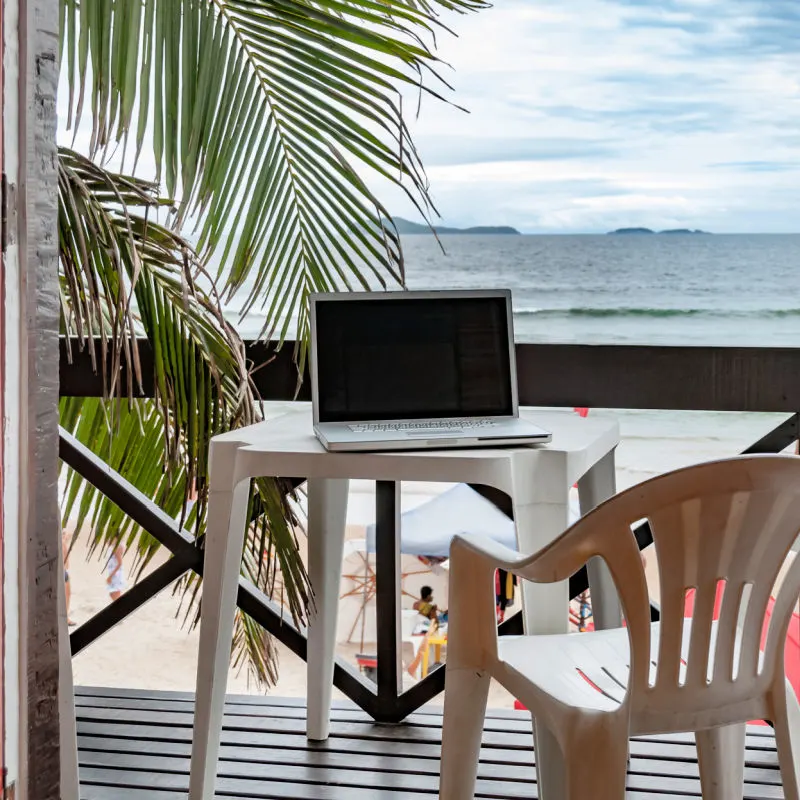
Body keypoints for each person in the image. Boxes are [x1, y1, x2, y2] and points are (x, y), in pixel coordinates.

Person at [63, 531, 76, 626]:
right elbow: (66, 565)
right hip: (62, 573)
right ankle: (66, 618)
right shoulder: (63, 545)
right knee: (67, 596)